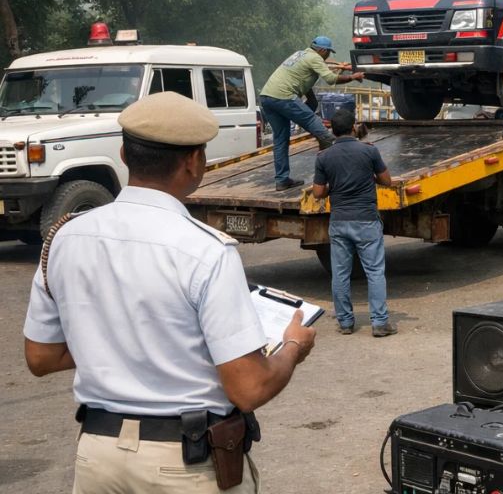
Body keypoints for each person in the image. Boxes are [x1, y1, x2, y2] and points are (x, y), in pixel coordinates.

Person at [23, 91, 316, 492]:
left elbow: (41, 356)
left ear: (124, 156)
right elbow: (248, 388)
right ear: (195, 161)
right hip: (181, 465)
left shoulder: (64, 237)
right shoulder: (206, 250)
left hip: (97, 456)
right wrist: (293, 347)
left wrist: (118, 337)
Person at [313, 108, 397, 337]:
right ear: (353, 128)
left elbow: (318, 193)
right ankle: (380, 323)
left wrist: (334, 186)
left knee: (340, 274)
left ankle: (346, 322)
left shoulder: (324, 157)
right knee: (375, 272)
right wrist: (369, 177)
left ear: (333, 130)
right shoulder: (369, 151)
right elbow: (387, 181)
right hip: (367, 221)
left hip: (339, 222)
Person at [259, 36, 364, 190]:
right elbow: (330, 79)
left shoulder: (300, 55)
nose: (328, 56)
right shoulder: (315, 58)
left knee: (280, 140)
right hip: (284, 97)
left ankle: (282, 180)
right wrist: (352, 77)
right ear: (322, 50)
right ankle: (335, 178)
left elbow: (303, 81)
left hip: (267, 97)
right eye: (328, 52)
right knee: (326, 136)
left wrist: (311, 103)